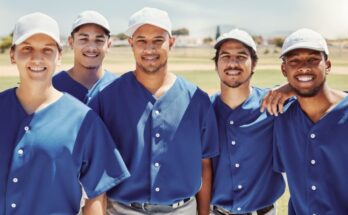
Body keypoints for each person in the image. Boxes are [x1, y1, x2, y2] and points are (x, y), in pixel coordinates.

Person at [90, 7, 219, 215]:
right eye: (141, 40)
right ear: (131, 43)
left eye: (158, 40)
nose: (149, 49)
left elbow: (205, 164)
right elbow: (95, 170)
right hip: (122, 210)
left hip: (182, 210)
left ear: (171, 42)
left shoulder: (197, 100)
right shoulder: (106, 99)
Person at [0, 12, 130, 215]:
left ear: (59, 56)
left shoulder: (84, 120)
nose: (37, 58)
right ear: (12, 54)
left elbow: (96, 194)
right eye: (27, 49)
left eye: (47, 50)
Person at [210, 29, 290, 215]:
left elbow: (321, 95)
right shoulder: (204, 110)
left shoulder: (274, 104)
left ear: (254, 64)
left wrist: (290, 88)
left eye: (241, 56)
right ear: (216, 64)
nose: (232, 63)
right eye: (225, 56)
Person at [273, 28, 348, 214]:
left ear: (328, 65)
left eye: (313, 60)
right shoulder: (280, 116)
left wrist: (295, 84)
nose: (304, 67)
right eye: (294, 61)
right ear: (284, 69)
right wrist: (289, 87)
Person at [53, 10, 117, 104]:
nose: (91, 48)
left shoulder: (118, 87)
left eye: (99, 40)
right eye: (83, 39)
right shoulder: (52, 86)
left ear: (109, 44)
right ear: (71, 42)